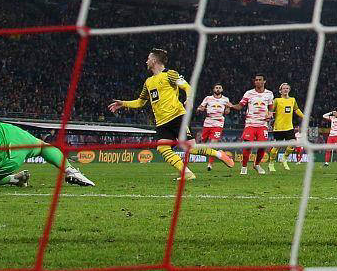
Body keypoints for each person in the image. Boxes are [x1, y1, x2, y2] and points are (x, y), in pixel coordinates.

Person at [109, 48, 233, 181]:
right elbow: (140, 102)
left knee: (191, 148)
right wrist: (123, 103)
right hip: (162, 122)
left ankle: (219, 154)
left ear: (154, 60)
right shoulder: (148, 82)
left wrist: (189, 99)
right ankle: (187, 173)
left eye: (148, 59)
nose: (146, 61)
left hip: (177, 117)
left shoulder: (170, 74)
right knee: (162, 148)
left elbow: (187, 87)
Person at [232, 74, 274, 174]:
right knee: (248, 145)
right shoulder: (249, 93)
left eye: (260, 80)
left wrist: (270, 114)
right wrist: (231, 106)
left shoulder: (269, 94)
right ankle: (244, 167)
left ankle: (257, 164)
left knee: (262, 146)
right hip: (250, 123)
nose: (257, 81)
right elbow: (240, 106)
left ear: (264, 81)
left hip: (262, 124)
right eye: (256, 80)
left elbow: (271, 108)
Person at [195, 84, 231, 172]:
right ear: (213, 89)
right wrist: (200, 109)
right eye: (216, 88)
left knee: (213, 144)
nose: (218, 89)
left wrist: (227, 109)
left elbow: (227, 111)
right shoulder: (208, 98)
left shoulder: (225, 99)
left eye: (219, 88)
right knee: (202, 145)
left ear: (222, 89)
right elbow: (200, 107)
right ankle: (219, 153)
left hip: (218, 124)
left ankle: (210, 164)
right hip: (207, 123)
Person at [269, 83, 304, 171]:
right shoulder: (277, 100)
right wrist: (269, 115)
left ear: (289, 90)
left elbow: (296, 109)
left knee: (293, 143)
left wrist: (304, 116)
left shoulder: (292, 100)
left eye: (287, 88)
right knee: (277, 146)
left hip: (289, 127)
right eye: (284, 88)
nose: (285, 90)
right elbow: (270, 110)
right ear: (280, 91)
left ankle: (284, 159)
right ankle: (271, 163)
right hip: (278, 127)